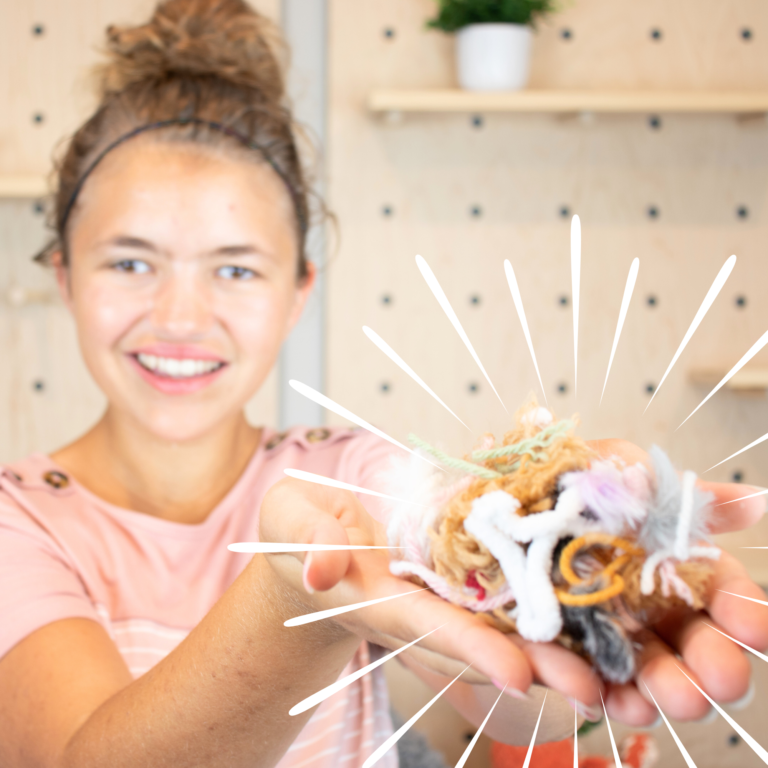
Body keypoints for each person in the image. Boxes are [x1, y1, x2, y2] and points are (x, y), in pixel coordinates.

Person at [0, 1, 766, 766]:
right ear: (64, 274)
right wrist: (296, 606)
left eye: (235, 268)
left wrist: (574, 573)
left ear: (299, 290)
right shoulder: (17, 523)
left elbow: (509, 692)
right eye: (131, 262)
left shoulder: (354, 477)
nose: (180, 317)